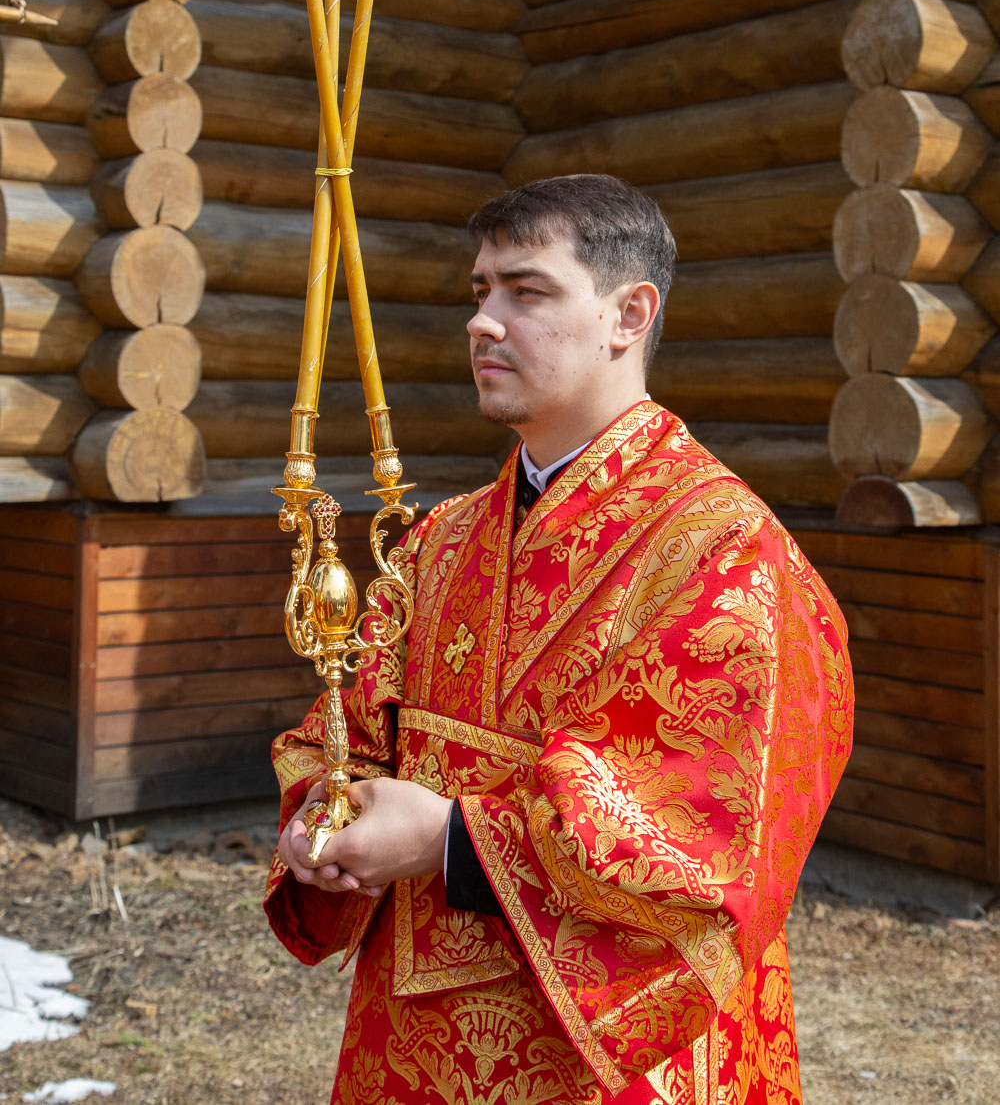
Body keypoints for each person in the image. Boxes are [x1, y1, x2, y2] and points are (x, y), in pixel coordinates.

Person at [264, 174, 853, 1104]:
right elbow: (344, 733)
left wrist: (449, 838)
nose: (483, 321)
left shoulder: (725, 552)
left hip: (608, 1052)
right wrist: (320, 816)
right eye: (480, 291)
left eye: (526, 291)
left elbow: (697, 835)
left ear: (629, 315)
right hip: (412, 1039)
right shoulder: (440, 540)